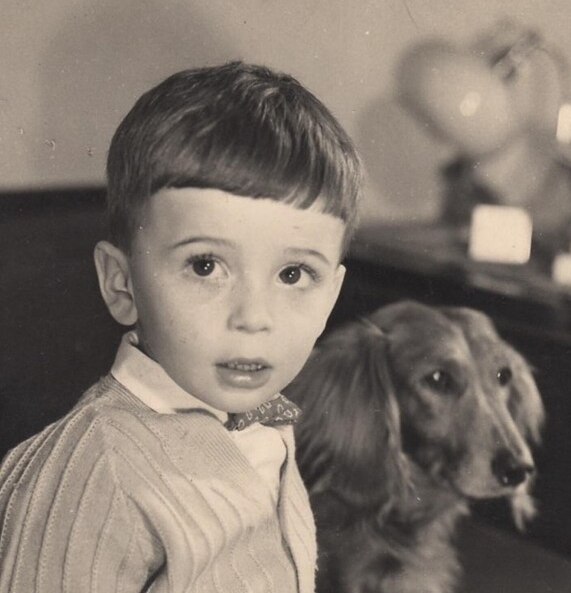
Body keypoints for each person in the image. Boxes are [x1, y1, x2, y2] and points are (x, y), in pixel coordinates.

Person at [0, 61, 363, 592]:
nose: (253, 319)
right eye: (205, 266)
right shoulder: (101, 467)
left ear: (332, 294)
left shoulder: (260, 419)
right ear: (122, 284)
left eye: (293, 273)